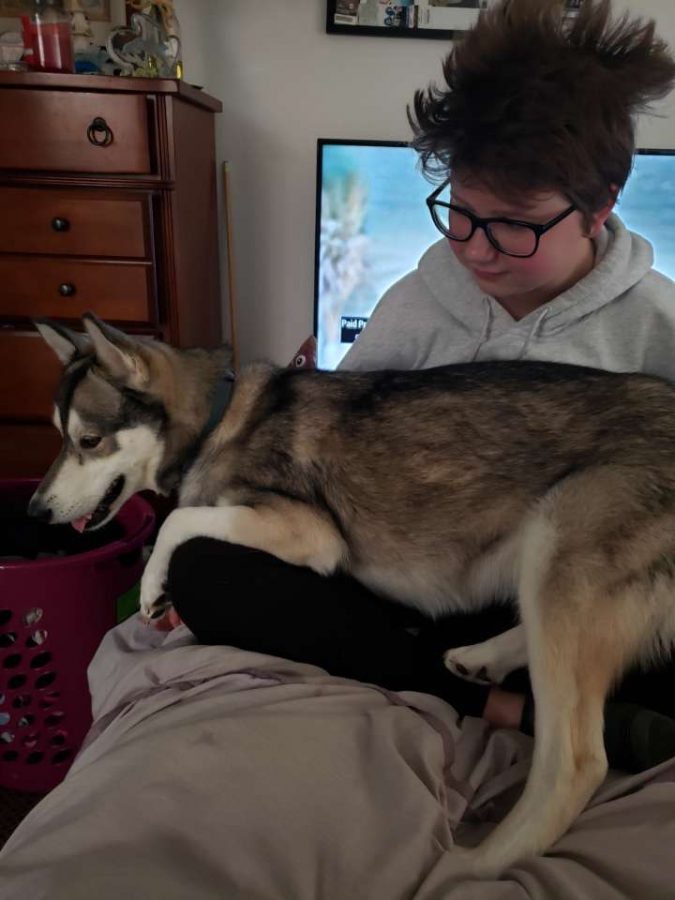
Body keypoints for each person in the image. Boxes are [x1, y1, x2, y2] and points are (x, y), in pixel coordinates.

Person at [166, 0, 675, 771]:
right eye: (459, 214)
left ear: (601, 206)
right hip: (407, 574)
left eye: (514, 224)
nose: (476, 248)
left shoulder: (653, 322)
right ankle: (496, 704)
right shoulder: (414, 299)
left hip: (554, 586)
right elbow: (343, 448)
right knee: (204, 570)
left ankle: (505, 690)